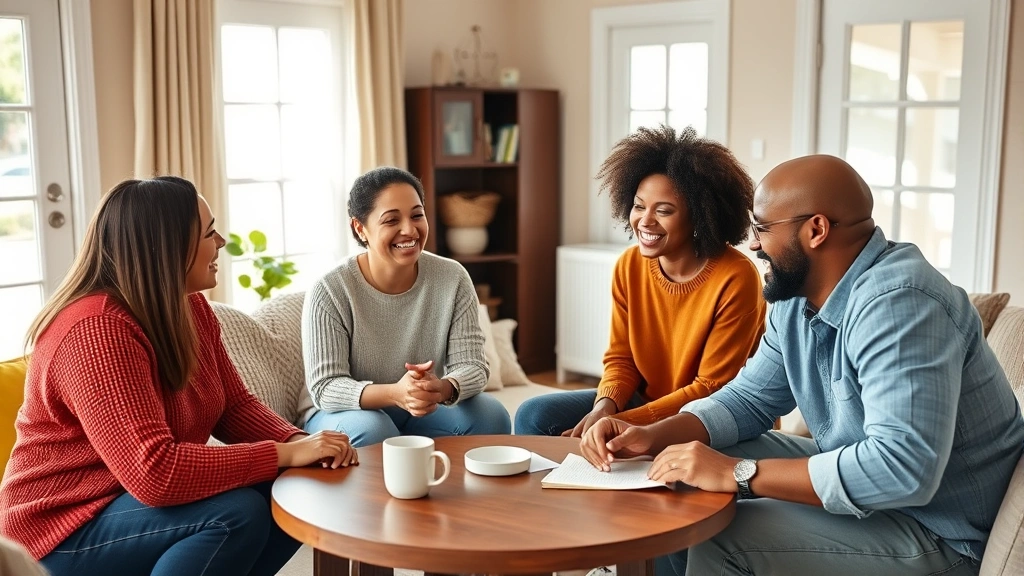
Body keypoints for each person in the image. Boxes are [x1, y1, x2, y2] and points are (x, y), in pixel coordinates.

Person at [581, 155, 1024, 576]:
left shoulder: (900, 304)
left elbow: (901, 469)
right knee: (676, 466)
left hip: (937, 530)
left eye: (762, 228)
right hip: (871, 491)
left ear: (816, 230)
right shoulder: (797, 294)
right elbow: (750, 398)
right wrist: (651, 436)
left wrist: (737, 473)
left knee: (723, 532)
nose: (752, 243)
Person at [0, 176, 357, 576]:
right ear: (167, 249)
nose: (221, 241)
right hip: (61, 527)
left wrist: (302, 445)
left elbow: (234, 406)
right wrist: (283, 454)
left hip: (127, 503)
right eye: (209, 233)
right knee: (234, 514)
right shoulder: (96, 330)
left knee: (299, 492)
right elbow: (155, 472)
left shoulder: (190, 308)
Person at [515, 125, 765, 437]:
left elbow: (710, 387)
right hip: (646, 402)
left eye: (664, 211)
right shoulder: (629, 266)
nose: (645, 221)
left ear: (700, 217)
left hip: (709, 415)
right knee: (534, 414)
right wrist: (604, 407)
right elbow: (622, 359)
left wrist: (628, 423)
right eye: (638, 205)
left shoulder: (735, 277)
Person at [300, 166, 511, 446]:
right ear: (360, 228)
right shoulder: (330, 290)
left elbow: (472, 365)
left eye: (417, 215)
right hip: (343, 413)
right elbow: (326, 388)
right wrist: (395, 393)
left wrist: (442, 388)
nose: (409, 230)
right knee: (376, 432)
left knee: (491, 416)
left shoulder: (452, 277)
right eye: (391, 220)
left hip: (421, 412)